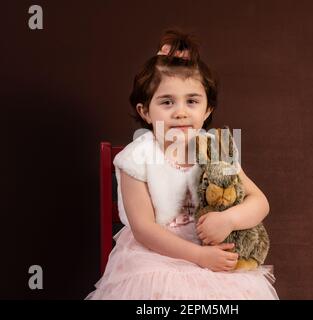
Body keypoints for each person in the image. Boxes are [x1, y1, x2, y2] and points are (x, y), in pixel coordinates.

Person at [86, 29, 279, 300]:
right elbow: (143, 229)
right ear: (145, 111)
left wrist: (228, 219)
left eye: (192, 101)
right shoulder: (137, 156)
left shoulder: (217, 148)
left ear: (207, 109)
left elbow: (260, 202)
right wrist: (199, 256)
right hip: (156, 254)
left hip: (212, 248)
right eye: (167, 102)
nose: (180, 112)